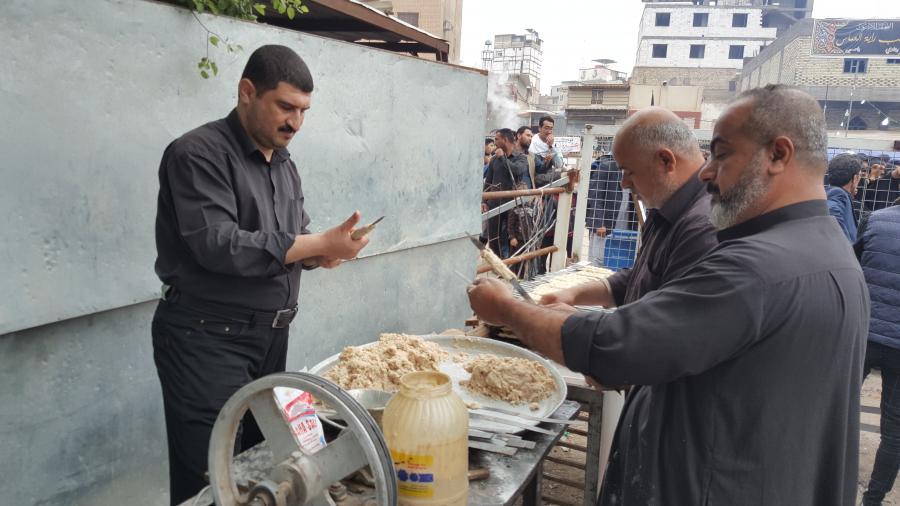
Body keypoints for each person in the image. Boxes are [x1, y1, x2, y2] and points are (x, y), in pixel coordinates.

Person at [468, 85, 868, 505]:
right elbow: (647, 291)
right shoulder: (827, 249)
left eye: (721, 154)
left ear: (778, 155)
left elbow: (619, 346)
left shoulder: (755, 266)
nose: (708, 172)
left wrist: (508, 308)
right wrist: (575, 300)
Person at [152, 45, 370, 504]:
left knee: (262, 469)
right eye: (286, 107)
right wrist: (316, 244)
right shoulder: (197, 153)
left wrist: (322, 254)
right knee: (212, 480)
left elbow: (291, 239)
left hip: (269, 339)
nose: (296, 122)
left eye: (304, 111)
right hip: (206, 339)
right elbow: (221, 245)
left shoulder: (283, 163)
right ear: (247, 92)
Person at [855, 197, 900, 506]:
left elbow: (852, 267)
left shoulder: (874, 220)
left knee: (838, 409)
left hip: (865, 333)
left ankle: (827, 480)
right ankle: (873, 500)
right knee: (894, 431)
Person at [584, 153, 637, 267]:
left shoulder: (636, 170)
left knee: (620, 260)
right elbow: (595, 196)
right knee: (599, 260)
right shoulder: (606, 166)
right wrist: (599, 223)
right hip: (604, 226)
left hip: (625, 225)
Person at [483, 128, 528, 258]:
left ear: (505, 140)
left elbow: (517, 171)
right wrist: (484, 201)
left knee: (512, 237)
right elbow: (488, 182)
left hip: (513, 206)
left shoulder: (521, 158)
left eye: (497, 139)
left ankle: (511, 264)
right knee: (494, 237)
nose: (495, 142)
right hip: (495, 204)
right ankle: (497, 264)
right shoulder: (494, 160)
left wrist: (503, 158)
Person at [826, 153, 861, 242]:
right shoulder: (838, 194)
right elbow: (831, 212)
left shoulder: (833, 192)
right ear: (855, 178)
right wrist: (846, 245)